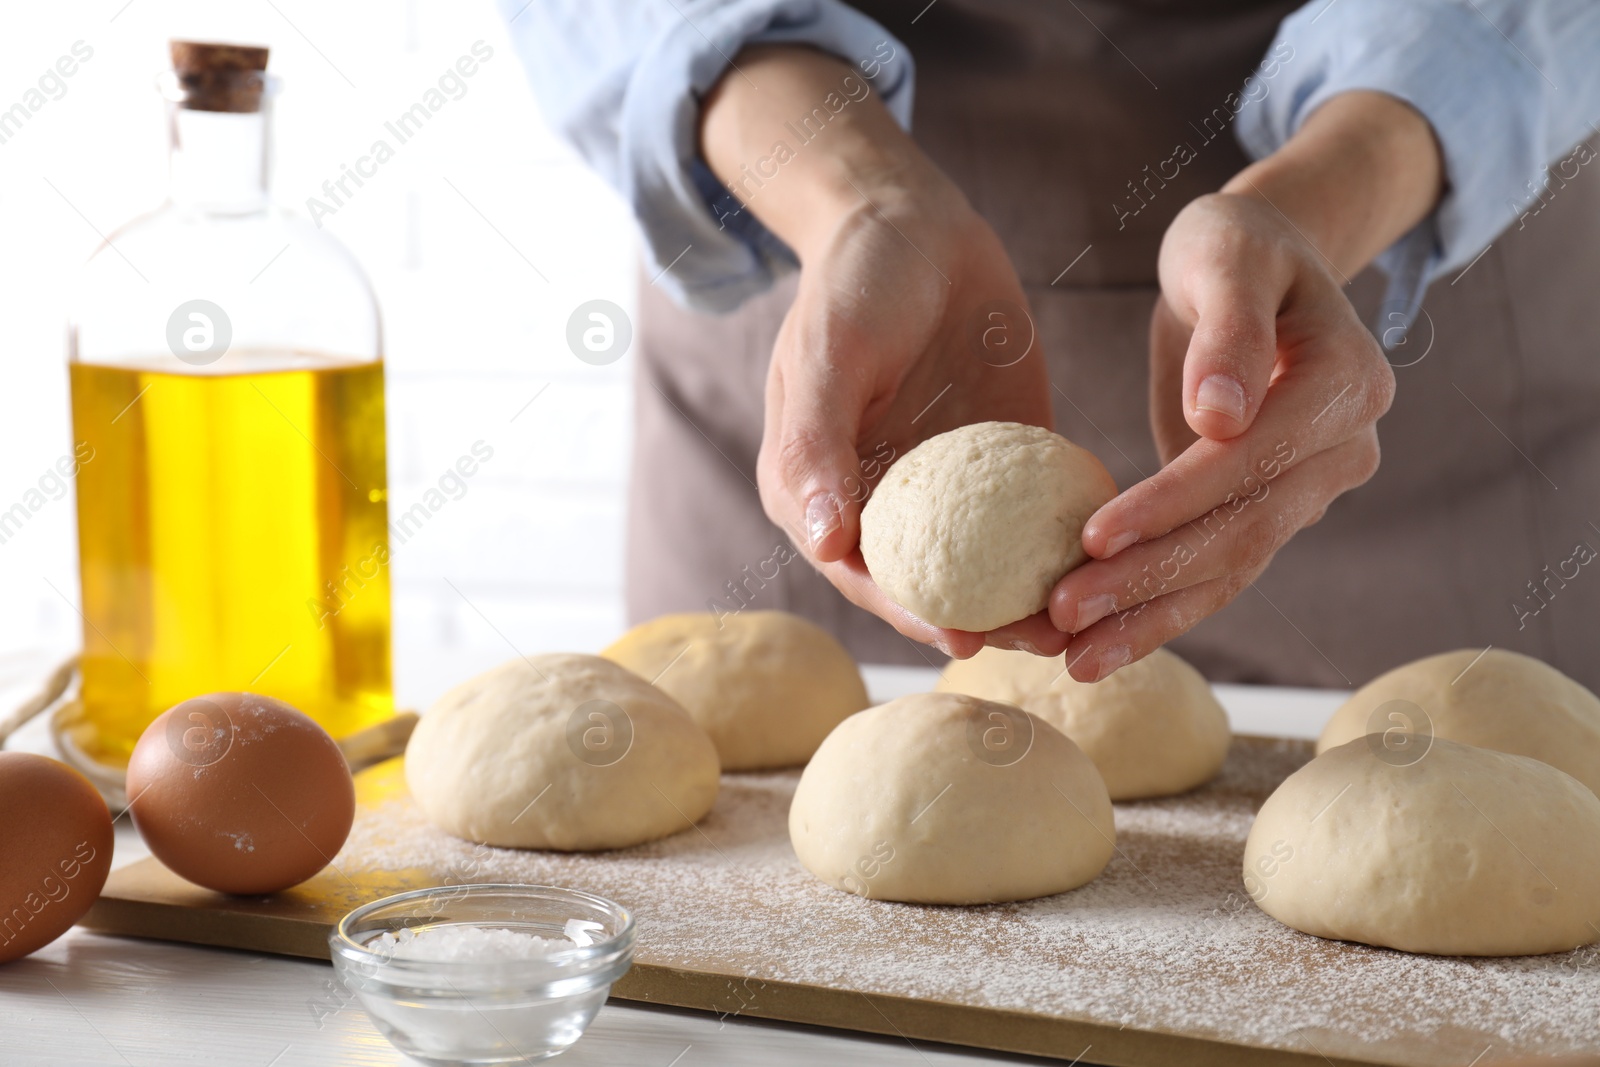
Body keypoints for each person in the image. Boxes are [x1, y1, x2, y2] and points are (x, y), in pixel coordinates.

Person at [502, 0, 1600, 691]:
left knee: (1459, 822)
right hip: (841, 328)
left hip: (1389, 333)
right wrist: (852, 201)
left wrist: (1323, 193)